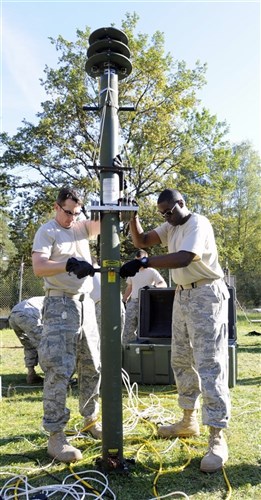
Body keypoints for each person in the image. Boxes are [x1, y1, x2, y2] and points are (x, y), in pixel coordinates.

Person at [120, 188, 231, 473]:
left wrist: (145, 261)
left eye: (170, 211)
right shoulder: (171, 226)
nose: (167, 217)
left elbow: (184, 257)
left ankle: (217, 436)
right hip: (181, 295)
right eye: (162, 214)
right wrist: (133, 217)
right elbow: (142, 240)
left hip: (206, 295)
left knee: (209, 364)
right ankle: (187, 419)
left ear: (182, 203)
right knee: (180, 359)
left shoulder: (197, 223)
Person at [32, 186, 101, 463]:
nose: (72, 217)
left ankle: (90, 419)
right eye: (68, 212)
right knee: (59, 369)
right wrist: (68, 264)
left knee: (92, 364)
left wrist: (115, 195)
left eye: (76, 212)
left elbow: (102, 224)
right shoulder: (48, 231)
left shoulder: (80, 227)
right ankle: (56, 435)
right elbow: (39, 267)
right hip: (60, 304)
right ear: (56, 207)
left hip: (85, 304)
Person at [122, 249, 167, 345]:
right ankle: (128, 348)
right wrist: (124, 299)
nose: (139, 263)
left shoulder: (152, 271)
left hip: (147, 302)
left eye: (141, 260)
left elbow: (163, 284)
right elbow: (129, 287)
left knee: (145, 329)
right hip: (134, 302)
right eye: (136, 260)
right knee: (128, 328)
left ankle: (144, 349)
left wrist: (153, 287)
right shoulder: (132, 271)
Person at [8, 296, 45, 384]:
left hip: (13, 315)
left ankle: (31, 374)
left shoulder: (43, 297)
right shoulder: (56, 300)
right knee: (44, 345)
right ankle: (52, 376)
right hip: (28, 315)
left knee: (29, 345)